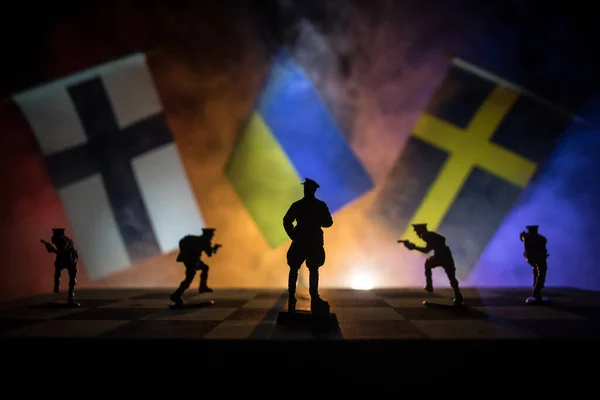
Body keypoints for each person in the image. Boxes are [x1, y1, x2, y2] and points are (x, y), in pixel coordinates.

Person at [283, 178, 333, 314]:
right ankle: (314, 297)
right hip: (314, 242)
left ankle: (291, 297)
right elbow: (328, 222)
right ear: (314, 190)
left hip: (300, 241)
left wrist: (293, 235)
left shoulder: (298, 205)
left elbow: (286, 221)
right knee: (313, 270)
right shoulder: (320, 205)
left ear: (306, 190)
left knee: (294, 269)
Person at [399, 223, 464, 306]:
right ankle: (458, 295)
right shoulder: (430, 234)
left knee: (428, 264)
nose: (416, 233)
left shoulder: (426, 235)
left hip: (441, 255)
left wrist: (413, 247)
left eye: (416, 231)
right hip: (446, 254)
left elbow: (426, 250)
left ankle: (429, 285)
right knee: (451, 276)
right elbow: (442, 239)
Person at [169, 228, 221, 307]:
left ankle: (202, 286)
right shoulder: (205, 241)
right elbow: (210, 254)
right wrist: (215, 248)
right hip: (192, 260)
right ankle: (176, 295)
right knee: (189, 278)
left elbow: (182, 242)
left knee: (205, 268)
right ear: (209, 235)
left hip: (193, 259)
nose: (212, 237)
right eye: (212, 235)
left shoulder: (196, 239)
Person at [41, 228, 79, 307]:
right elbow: (59, 250)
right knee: (58, 272)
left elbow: (62, 250)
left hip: (70, 259)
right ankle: (57, 287)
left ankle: (70, 295)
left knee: (71, 276)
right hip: (63, 258)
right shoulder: (56, 239)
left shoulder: (65, 241)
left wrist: (53, 250)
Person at [519, 225, 549, 303]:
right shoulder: (538, 238)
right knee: (541, 272)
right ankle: (537, 290)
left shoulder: (528, 237)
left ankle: (537, 288)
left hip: (533, 258)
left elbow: (522, 237)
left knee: (537, 271)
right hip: (537, 258)